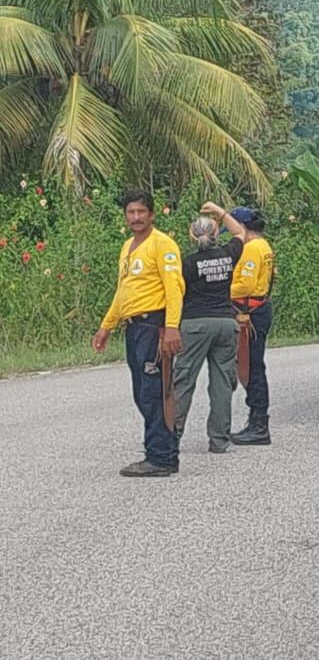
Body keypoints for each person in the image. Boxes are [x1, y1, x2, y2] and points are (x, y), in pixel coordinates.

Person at [92, 190, 185, 477]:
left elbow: (174, 288)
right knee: (142, 393)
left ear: (152, 214)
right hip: (133, 328)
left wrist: (171, 327)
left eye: (141, 212)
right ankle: (162, 451)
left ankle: (161, 457)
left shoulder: (163, 244)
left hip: (155, 325)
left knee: (154, 391)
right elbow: (123, 292)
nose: (135, 217)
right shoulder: (128, 247)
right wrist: (106, 326)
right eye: (130, 212)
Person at [171, 210, 247, 454]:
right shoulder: (228, 255)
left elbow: (176, 293)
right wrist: (220, 211)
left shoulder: (188, 263)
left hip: (195, 324)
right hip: (226, 323)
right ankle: (219, 440)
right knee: (222, 383)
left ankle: (171, 436)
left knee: (183, 381)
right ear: (215, 234)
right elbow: (239, 232)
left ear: (192, 236)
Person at [225, 205, 276, 445]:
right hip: (258, 308)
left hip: (250, 312)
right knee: (253, 365)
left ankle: (258, 424)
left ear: (242, 227)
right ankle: (256, 421)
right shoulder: (263, 246)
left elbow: (244, 285)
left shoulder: (251, 249)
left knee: (251, 367)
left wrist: (219, 290)